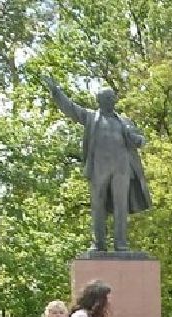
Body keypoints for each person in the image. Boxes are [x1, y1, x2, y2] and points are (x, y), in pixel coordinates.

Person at [41, 76, 150, 252]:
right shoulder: (91, 118)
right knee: (98, 205)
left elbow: (137, 138)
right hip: (99, 168)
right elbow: (71, 108)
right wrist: (56, 92)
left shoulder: (124, 121)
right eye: (107, 98)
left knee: (120, 206)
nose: (110, 101)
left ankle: (121, 244)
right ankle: (99, 243)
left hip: (122, 169)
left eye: (112, 98)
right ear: (99, 101)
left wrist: (139, 140)